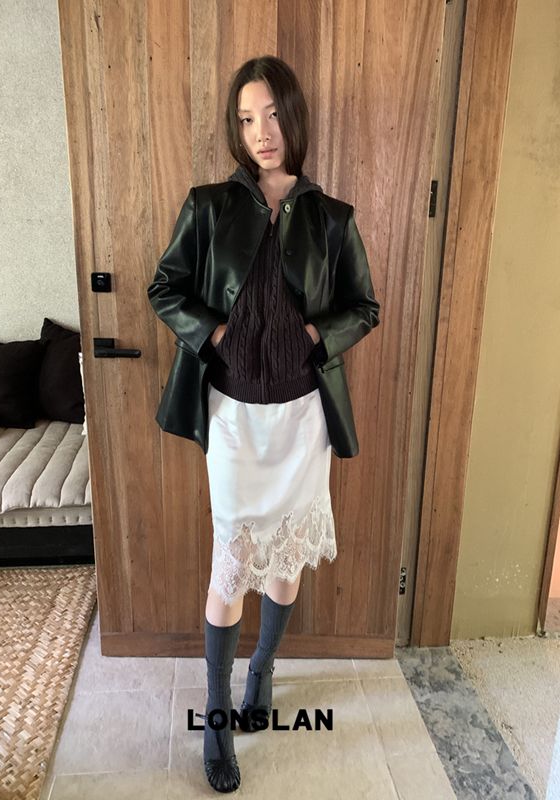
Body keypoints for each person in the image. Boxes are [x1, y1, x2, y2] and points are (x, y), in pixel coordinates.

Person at [147, 55, 380, 794]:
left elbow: (364, 307)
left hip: (303, 417)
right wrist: (215, 334)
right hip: (234, 419)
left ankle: (262, 674)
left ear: (293, 118)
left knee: (285, 561)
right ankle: (216, 720)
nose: (262, 132)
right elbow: (165, 288)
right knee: (232, 563)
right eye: (248, 119)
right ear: (236, 128)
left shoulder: (332, 217)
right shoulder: (208, 206)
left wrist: (314, 337)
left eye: (273, 114)